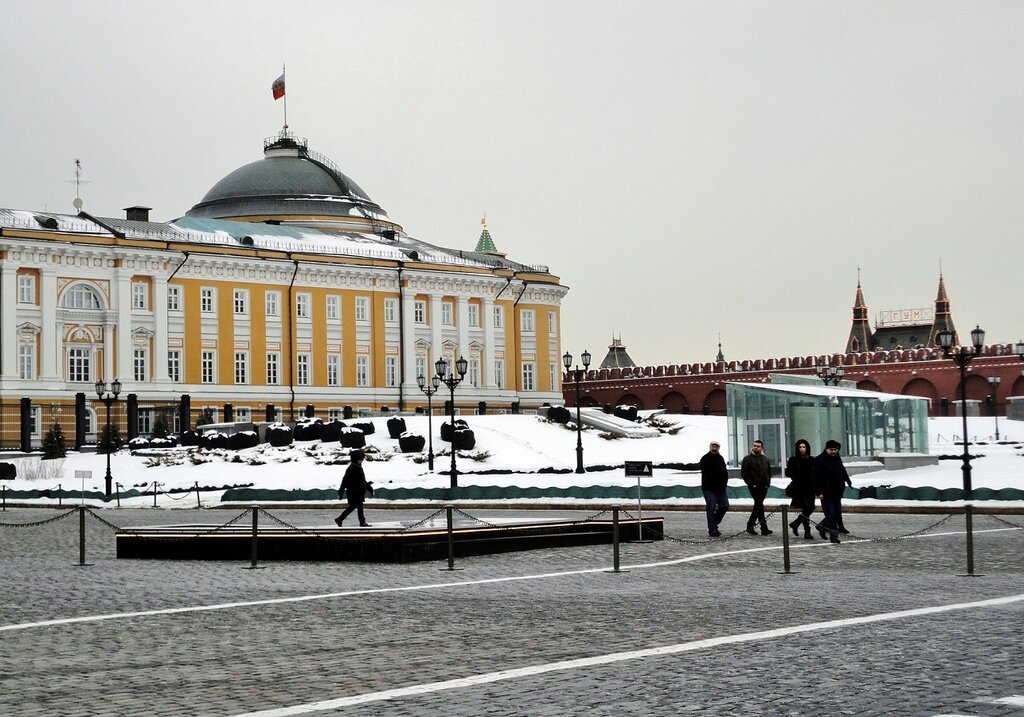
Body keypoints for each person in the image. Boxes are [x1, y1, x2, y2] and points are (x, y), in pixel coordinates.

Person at [813, 440, 852, 544]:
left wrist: (848, 481)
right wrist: (819, 492)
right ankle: (834, 537)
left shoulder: (837, 458)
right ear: (826, 449)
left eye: (835, 449)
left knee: (836, 513)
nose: (833, 451)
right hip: (825, 492)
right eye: (831, 450)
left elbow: (842, 470)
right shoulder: (819, 460)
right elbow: (815, 478)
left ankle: (821, 526)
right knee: (831, 514)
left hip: (837, 491)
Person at [740, 439, 773, 535]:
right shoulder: (747, 459)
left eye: (758, 446)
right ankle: (764, 528)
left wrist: (768, 483)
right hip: (754, 487)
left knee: (758, 506)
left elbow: (769, 472)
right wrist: (751, 484)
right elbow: (744, 473)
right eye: (754, 445)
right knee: (760, 505)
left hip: (764, 486)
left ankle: (750, 525)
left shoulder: (765, 459)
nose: (755, 447)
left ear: (762, 448)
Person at [785, 439, 816, 539]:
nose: (802, 449)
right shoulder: (793, 459)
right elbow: (788, 473)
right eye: (800, 447)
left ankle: (796, 523)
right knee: (806, 508)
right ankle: (807, 531)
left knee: (810, 508)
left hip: (810, 488)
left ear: (807, 448)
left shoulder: (812, 459)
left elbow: (815, 473)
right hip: (799, 488)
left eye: (804, 447)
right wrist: (795, 472)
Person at [335, 449, 373, 527]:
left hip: (357, 491)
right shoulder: (352, 468)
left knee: (353, 507)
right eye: (359, 460)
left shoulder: (358, 468)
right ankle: (362, 522)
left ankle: (340, 519)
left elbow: (363, 481)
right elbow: (344, 481)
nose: (361, 461)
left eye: (361, 460)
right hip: (354, 492)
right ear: (355, 459)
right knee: (359, 506)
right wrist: (340, 492)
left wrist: (369, 488)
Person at [699, 440, 729, 537]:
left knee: (724, 506)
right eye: (713, 446)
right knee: (711, 508)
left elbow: (724, 473)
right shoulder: (705, 458)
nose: (714, 448)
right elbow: (707, 474)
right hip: (709, 489)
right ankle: (712, 529)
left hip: (721, 489)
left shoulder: (721, 458)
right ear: (710, 447)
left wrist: (724, 484)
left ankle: (713, 524)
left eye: (716, 446)